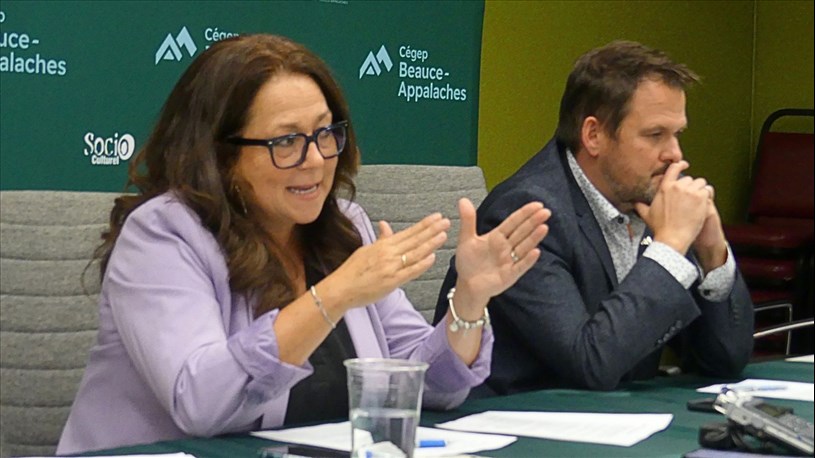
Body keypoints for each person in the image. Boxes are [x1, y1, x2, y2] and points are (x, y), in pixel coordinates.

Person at [57, 34, 551, 454]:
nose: (315, 160)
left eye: (325, 134)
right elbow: (201, 403)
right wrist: (335, 294)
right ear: (221, 156)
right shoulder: (163, 234)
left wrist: (470, 301)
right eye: (286, 141)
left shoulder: (344, 227)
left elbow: (426, 387)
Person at [434, 40, 754, 395]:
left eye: (677, 134)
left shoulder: (648, 200)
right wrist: (670, 246)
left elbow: (726, 360)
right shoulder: (528, 212)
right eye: (655, 135)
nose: (675, 154)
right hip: (522, 419)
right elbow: (590, 363)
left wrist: (712, 254)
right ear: (594, 135)